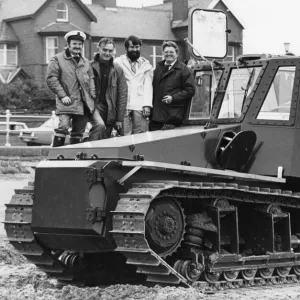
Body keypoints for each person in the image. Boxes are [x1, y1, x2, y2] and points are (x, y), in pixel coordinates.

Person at [46, 30, 95, 147]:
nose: (77, 46)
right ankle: (55, 158)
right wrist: (62, 95)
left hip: (83, 103)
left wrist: (93, 95)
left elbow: (91, 79)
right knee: (63, 127)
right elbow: (52, 79)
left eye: (79, 44)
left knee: (79, 131)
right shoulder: (57, 59)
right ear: (68, 44)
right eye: (74, 44)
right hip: (66, 102)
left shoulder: (85, 62)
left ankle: (74, 157)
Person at [150, 41, 195, 131]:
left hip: (173, 117)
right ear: (163, 53)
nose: (168, 54)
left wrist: (173, 98)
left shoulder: (184, 70)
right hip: (156, 117)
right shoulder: (157, 69)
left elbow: (190, 90)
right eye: (166, 52)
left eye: (171, 52)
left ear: (177, 54)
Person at [88, 37, 127, 140]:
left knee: (105, 138)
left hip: (110, 109)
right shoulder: (89, 66)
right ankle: (88, 152)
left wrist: (119, 118)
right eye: (104, 50)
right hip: (95, 106)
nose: (107, 53)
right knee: (99, 126)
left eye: (110, 51)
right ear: (99, 49)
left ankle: (97, 155)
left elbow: (122, 94)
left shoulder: (118, 70)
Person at [114, 35, 153, 135]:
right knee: (125, 135)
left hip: (140, 104)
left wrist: (147, 105)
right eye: (132, 47)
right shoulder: (118, 62)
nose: (134, 50)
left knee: (141, 134)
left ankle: (141, 151)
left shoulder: (146, 65)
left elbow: (148, 86)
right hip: (124, 104)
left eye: (137, 47)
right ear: (126, 48)